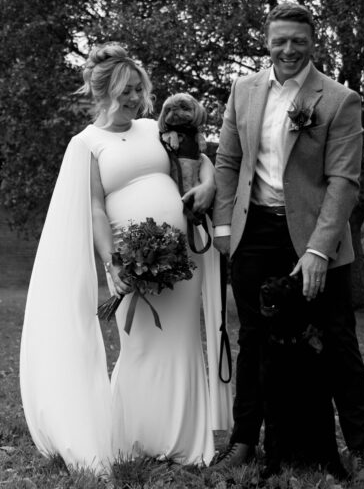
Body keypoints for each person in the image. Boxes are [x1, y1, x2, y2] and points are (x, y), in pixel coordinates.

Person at [19, 43, 233, 475]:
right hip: (131, 261)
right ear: (101, 92)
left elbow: (200, 156)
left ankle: (186, 443)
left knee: (182, 343)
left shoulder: (155, 128)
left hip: (182, 256)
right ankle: (135, 436)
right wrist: (111, 261)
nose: (134, 98)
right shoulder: (86, 143)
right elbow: (95, 208)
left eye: (138, 89)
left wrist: (207, 185)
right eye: (125, 91)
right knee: (140, 346)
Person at [211, 3, 364, 483]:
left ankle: (362, 450)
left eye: (297, 41)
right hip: (254, 232)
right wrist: (224, 228)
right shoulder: (243, 91)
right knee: (254, 339)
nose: (288, 49)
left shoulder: (340, 100)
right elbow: (227, 160)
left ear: (312, 43)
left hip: (316, 236)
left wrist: (319, 250)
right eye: (279, 40)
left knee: (339, 341)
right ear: (267, 40)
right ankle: (243, 442)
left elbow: (344, 181)